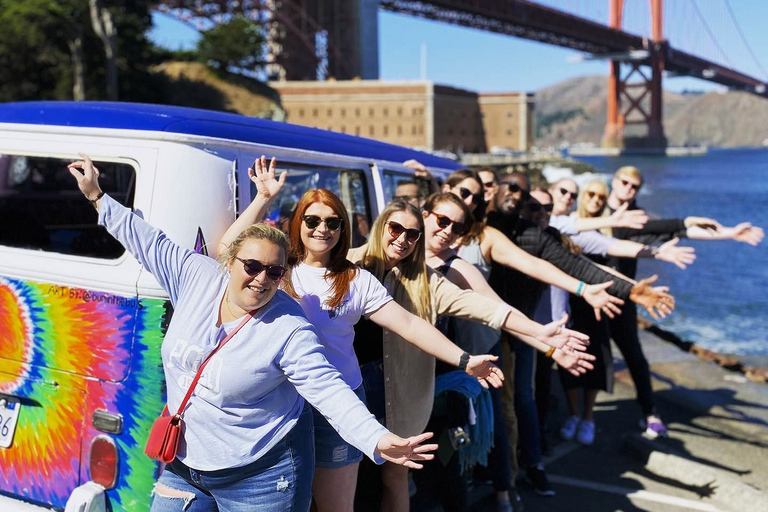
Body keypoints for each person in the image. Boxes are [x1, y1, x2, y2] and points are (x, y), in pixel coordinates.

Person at [67, 154, 438, 512]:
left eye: (275, 272)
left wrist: (377, 437)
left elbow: (327, 387)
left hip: (261, 475)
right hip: (185, 461)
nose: (261, 278)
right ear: (230, 262)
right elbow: (148, 240)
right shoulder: (195, 276)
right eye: (252, 265)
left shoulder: (290, 326)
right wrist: (97, 196)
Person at [218, 156, 506, 512]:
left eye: (332, 222)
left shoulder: (355, 279)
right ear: (299, 223)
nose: (322, 229)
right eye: (312, 220)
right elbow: (227, 250)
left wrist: (465, 359)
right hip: (280, 401)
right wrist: (262, 198)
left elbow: (410, 325)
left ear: (343, 228)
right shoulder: (278, 269)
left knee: (336, 505)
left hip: (339, 400)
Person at [348, 198, 592, 512]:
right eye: (396, 229)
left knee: (395, 478)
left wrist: (539, 332)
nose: (403, 239)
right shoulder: (347, 265)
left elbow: (482, 306)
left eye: (412, 234)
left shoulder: (426, 279)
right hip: (352, 392)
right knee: (349, 480)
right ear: (382, 226)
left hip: (402, 398)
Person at [482, 170, 676, 502]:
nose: (537, 213)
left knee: (518, 404)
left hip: (522, 330)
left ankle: (517, 474)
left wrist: (629, 290)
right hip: (482, 327)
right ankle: (493, 470)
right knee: (493, 405)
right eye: (530, 204)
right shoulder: (478, 225)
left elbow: (576, 264)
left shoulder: (537, 236)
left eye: (543, 208)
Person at [421, 192, 596, 511]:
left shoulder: (456, 267)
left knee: (447, 461)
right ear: (424, 215)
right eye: (441, 221)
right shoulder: (397, 251)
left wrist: (549, 347)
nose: (447, 231)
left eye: (457, 228)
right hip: (397, 377)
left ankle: (500, 491)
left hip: (444, 378)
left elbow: (499, 310)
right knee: (401, 472)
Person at [605, 165, 764, 437]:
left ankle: (650, 413)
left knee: (635, 358)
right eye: (624, 182)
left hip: (625, 298)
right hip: (588, 297)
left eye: (634, 186)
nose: (628, 189)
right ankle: (578, 417)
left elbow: (679, 230)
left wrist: (728, 233)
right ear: (613, 181)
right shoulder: (592, 211)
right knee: (589, 357)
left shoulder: (636, 220)